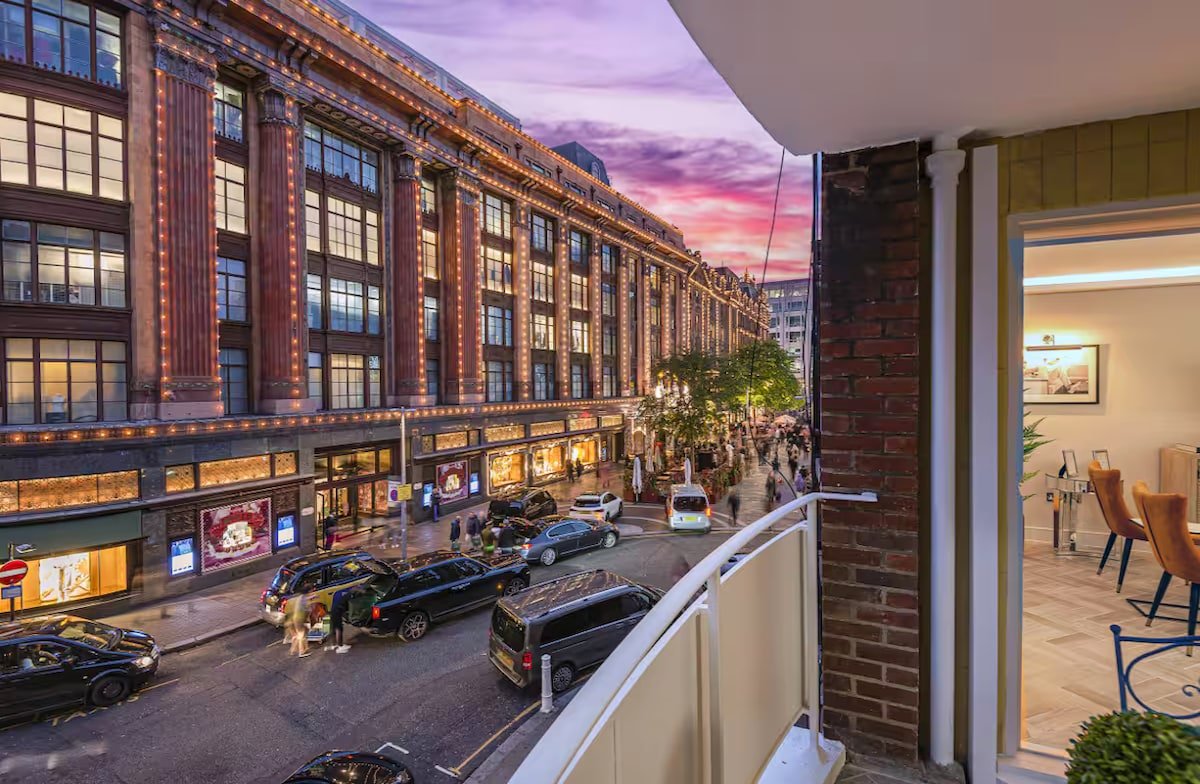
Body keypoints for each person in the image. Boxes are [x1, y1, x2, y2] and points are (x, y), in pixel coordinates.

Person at [285, 592, 311, 658]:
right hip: (298, 619)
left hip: (292, 619)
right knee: (301, 635)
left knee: (297, 635)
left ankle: (293, 650)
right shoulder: (303, 599)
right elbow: (307, 610)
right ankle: (302, 651)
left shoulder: (300, 597)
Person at [328, 587, 352, 654]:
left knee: (334, 628)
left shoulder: (339, 592)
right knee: (339, 628)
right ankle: (340, 647)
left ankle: (334, 644)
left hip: (333, 611)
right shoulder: (349, 595)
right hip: (337, 612)